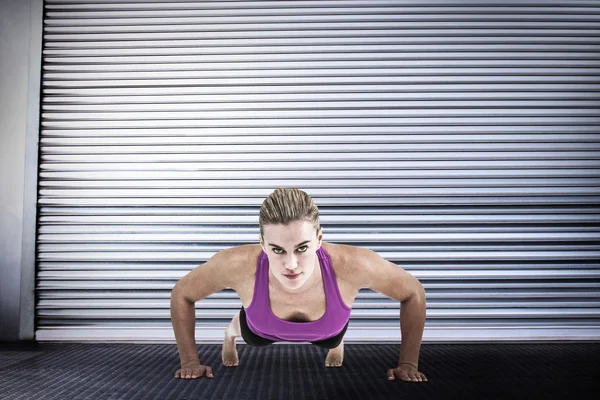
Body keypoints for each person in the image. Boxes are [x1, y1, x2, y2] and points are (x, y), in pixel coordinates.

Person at [170, 188, 427, 383]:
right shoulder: (238, 264)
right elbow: (183, 293)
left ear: (319, 239)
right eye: (277, 250)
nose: (291, 264)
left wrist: (408, 364)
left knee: (331, 339)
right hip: (259, 328)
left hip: (329, 330)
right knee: (246, 332)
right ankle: (229, 334)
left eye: (302, 248)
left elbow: (412, 292)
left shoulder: (353, 264)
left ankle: (336, 342)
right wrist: (190, 360)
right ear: (262, 244)